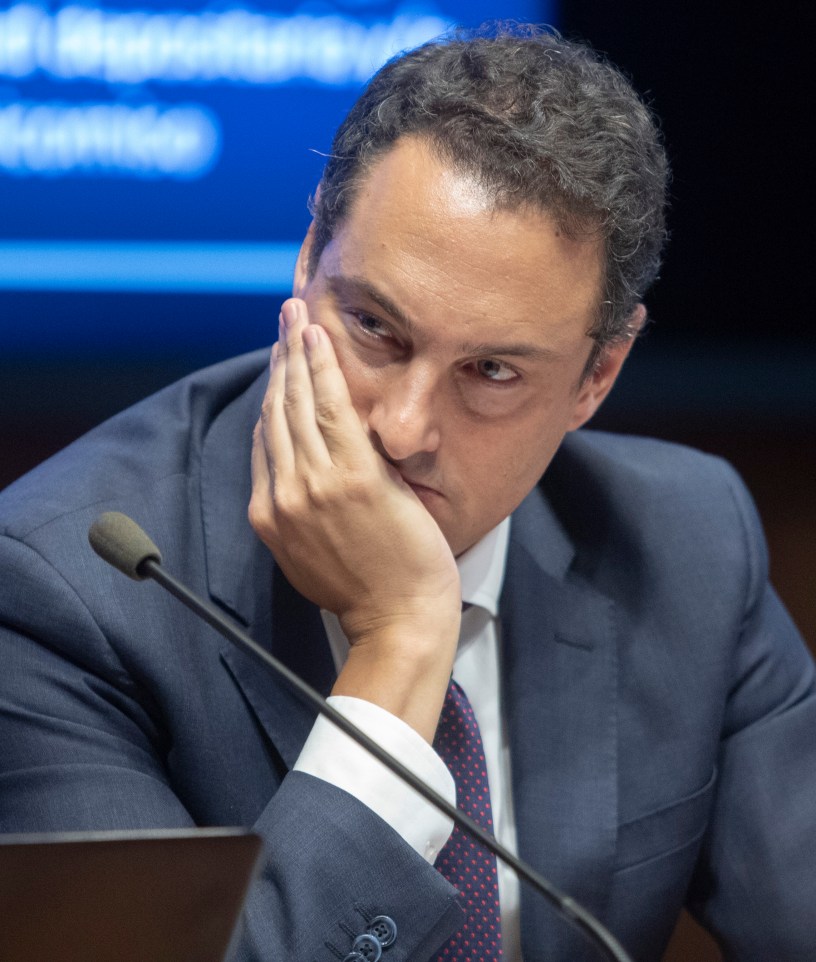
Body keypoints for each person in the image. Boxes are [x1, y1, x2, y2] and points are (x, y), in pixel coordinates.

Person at [1, 23, 814, 962]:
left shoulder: (687, 541)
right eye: (375, 328)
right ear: (309, 258)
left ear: (598, 377)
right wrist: (402, 643)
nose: (402, 428)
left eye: (492, 371)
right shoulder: (64, 593)